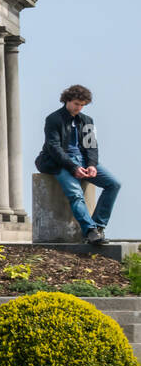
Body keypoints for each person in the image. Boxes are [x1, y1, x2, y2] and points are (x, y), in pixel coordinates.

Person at [34, 84, 122, 245]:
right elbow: (54, 148)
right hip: (59, 162)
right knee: (75, 194)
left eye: (82, 105)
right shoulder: (53, 119)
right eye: (76, 104)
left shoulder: (87, 121)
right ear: (67, 100)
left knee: (114, 184)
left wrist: (92, 165)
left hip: (83, 160)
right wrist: (73, 167)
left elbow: (92, 146)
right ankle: (89, 232)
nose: (79, 108)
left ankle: (98, 227)